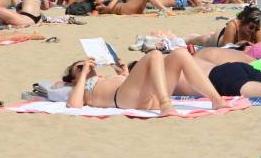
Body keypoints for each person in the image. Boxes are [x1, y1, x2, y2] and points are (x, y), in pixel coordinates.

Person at [63, 49, 228, 115]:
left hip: (145, 97)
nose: (85, 66)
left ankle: (216, 100)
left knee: (180, 54)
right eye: (78, 67)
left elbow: (136, 84)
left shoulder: (102, 78)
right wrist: (83, 74)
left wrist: (125, 73)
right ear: (73, 79)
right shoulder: (82, 87)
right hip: (122, 99)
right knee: (154, 54)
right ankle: (166, 105)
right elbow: (74, 105)